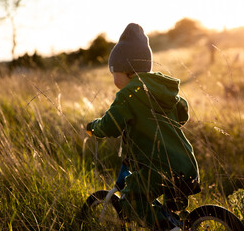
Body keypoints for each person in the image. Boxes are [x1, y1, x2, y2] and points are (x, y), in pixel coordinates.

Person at [86, 23, 200, 230]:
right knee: (172, 213)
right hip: (187, 166)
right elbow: (183, 112)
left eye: (114, 72)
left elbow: (110, 125)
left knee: (131, 201)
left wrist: (93, 127)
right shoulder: (163, 91)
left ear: (127, 70)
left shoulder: (128, 95)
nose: (113, 78)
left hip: (160, 168)